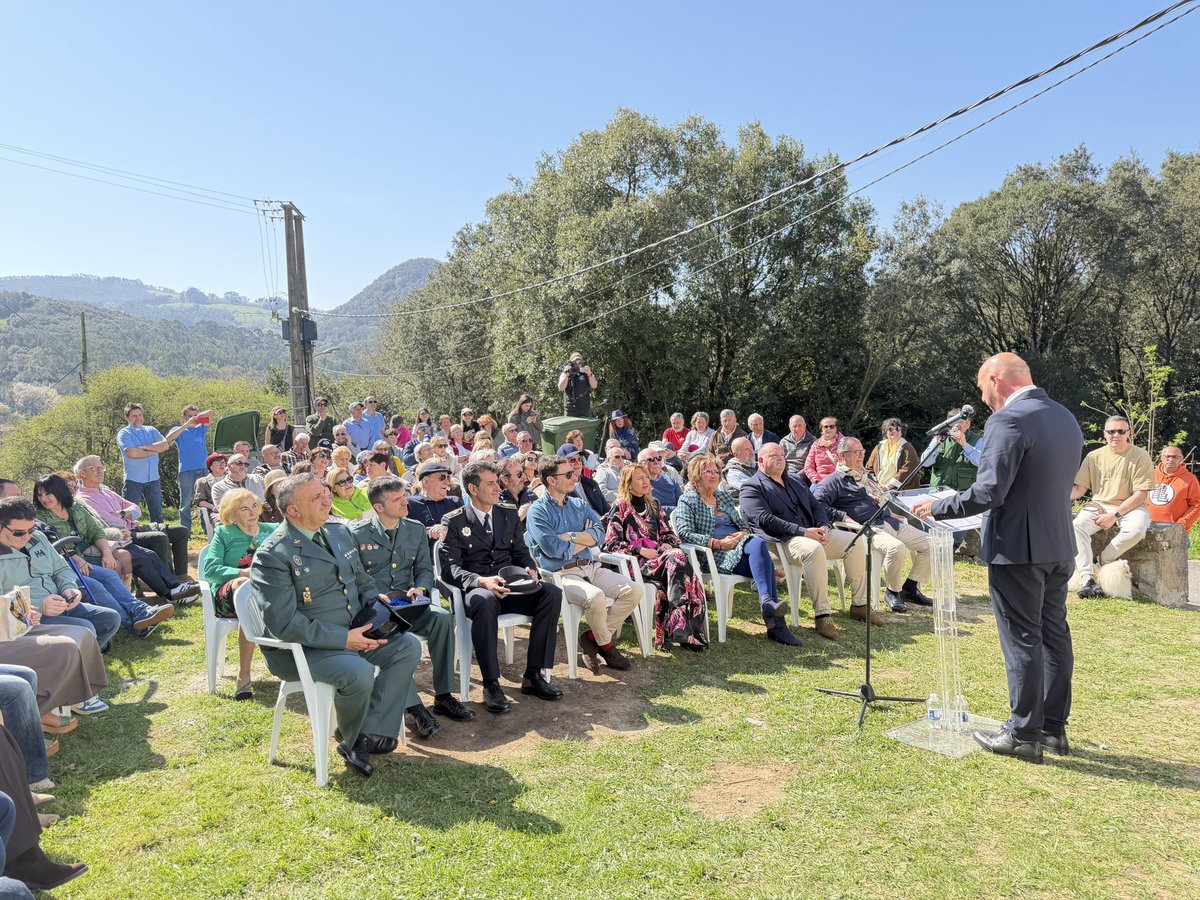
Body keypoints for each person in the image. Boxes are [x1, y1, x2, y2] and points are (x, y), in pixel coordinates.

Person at [912, 352, 1082, 764]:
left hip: (1017, 549)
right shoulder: (1065, 418)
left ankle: (1023, 734)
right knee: (1054, 634)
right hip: (1058, 544)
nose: (983, 396)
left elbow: (990, 491)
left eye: (982, 386)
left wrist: (940, 507)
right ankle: (1052, 729)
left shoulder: (1009, 420)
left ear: (995, 379)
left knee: (1023, 637)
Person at [250, 473, 423, 777]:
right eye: (316, 498)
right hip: (306, 648)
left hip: (355, 629)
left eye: (325, 493)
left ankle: (367, 732)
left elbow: (362, 580)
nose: (327, 500)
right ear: (293, 511)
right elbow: (284, 623)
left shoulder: (338, 532)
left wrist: (376, 610)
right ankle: (355, 739)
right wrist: (345, 639)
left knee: (408, 646)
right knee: (356, 672)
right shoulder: (273, 554)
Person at [350, 477, 474, 738]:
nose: (405, 501)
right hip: (379, 613)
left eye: (404, 495)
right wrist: (376, 597)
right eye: (397, 499)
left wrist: (421, 589)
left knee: (441, 618)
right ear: (379, 507)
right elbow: (355, 578)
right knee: (399, 642)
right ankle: (414, 708)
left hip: (409, 606)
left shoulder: (415, 529)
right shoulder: (358, 534)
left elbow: (424, 569)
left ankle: (443, 695)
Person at [441, 461, 563, 712]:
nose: (499, 488)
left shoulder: (507, 512)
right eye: (491, 483)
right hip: (480, 588)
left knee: (551, 593)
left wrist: (530, 569)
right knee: (484, 602)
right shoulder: (454, 521)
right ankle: (491, 684)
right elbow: (449, 569)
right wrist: (481, 581)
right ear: (473, 489)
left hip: (510, 585)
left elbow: (520, 552)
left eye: (498, 482)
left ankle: (533, 674)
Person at [740, 444, 877, 642]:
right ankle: (823, 615)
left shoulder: (795, 480)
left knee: (855, 542)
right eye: (773, 455)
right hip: (782, 541)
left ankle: (860, 605)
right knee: (813, 549)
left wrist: (824, 525)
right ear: (760, 461)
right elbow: (765, 519)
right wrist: (803, 531)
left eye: (781, 454)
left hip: (811, 533)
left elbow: (816, 506)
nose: (780, 458)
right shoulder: (752, 486)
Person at [526, 455, 641, 673]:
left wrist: (569, 536)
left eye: (574, 472)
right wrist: (583, 537)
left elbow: (599, 534)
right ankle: (606, 646)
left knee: (633, 590)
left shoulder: (578, 504)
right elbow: (553, 549)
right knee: (596, 596)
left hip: (591, 566)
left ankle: (591, 637)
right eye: (568, 474)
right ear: (551, 480)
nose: (575, 476)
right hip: (561, 574)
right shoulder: (537, 511)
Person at [32, 475, 175, 637]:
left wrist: (107, 553)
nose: (43, 498)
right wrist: (77, 560)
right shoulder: (40, 519)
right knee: (98, 583)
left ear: (58, 491)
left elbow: (95, 531)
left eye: (47, 493)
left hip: (88, 552)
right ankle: (133, 624)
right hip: (67, 562)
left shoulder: (75, 507)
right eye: (39, 495)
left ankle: (140, 610)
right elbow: (55, 545)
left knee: (112, 572)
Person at [673, 454, 794, 644]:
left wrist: (742, 534)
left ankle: (770, 608)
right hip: (714, 555)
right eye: (708, 472)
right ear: (696, 475)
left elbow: (743, 525)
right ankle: (776, 623)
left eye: (716, 472)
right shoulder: (688, 500)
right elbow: (684, 533)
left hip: (741, 549)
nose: (714, 476)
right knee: (761, 553)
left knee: (755, 542)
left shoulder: (723, 497)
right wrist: (718, 543)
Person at [813, 437, 933, 613]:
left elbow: (880, 498)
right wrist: (842, 516)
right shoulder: (834, 481)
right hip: (868, 528)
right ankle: (893, 592)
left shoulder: (865, 477)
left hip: (890, 521)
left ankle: (911, 587)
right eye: (856, 453)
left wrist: (889, 511)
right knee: (896, 548)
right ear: (842, 456)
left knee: (932, 543)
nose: (861, 456)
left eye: (862, 452)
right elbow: (817, 502)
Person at [604, 463, 707, 651]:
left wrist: (668, 543)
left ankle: (681, 628)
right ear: (628, 484)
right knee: (679, 561)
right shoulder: (620, 507)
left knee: (677, 558)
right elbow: (611, 543)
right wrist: (640, 551)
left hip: (662, 560)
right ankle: (685, 629)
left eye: (646, 477)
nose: (645, 481)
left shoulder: (654, 504)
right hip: (636, 563)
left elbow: (669, 533)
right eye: (639, 478)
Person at [201, 489, 277, 700]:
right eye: (244, 509)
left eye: (254, 506)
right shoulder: (224, 533)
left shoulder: (273, 529)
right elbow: (211, 569)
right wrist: (243, 572)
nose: (252, 512)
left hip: (268, 592)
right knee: (245, 588)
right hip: (230, 595)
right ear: (232, 513)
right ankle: (244, 675)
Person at [1070, 415, 1154, 598]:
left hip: (1131, 506)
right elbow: (1078, 490)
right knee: (1076, 527)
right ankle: (1087, 577)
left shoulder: (1140, 455)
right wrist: (1051, 497)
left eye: (1121, 431)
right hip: (1100, 504)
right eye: (1111, 431)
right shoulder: (1094, 457)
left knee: (1137, 530)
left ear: (1128, 433)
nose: (1116, 435)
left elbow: (1141, 494)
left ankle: (1101, 561)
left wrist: (1114, 515)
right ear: (1104, 434)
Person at [73, 456, 191, 580]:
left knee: (181, 531)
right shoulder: (83, 498)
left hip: (135, 527)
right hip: (123, 534)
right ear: (82, 474)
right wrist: (126, 517)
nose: (100, 471)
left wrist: (122, 514)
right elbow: (110, 521)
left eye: (101, 468)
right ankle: (168, 580)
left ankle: (181, 576)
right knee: (159, 538)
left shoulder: (107, 492)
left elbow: (136, 508)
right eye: (94, 468)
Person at [116, 402, 195, 526]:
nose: (138, 418)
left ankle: (161, 539)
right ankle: (129, 539)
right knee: (128, 513)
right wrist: (154, 449)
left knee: (157, 513)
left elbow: (164, 445)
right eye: (134, 416)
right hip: (133, 480)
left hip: (153, 479)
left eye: (140, 414)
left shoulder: (151, 430)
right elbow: (132, 453)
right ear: (127, 418)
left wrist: (144, 448)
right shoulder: (124, 433)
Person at [920, 408, 984, 491]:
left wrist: (965, 445)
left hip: (962, 495)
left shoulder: (978, 440)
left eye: (960, 421)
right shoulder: (941, 438)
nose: (956, 425)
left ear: (968, 423)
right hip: (937, 493)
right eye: (952, 422)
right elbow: (925, 463)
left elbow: (982, 462)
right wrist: (935, 443)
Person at [174, 404, 213, 534]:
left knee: (205, 500)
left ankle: (206, 528)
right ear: (183, 417)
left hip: (203, 469)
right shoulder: (179, 430)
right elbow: (168, 439)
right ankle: (186, 531)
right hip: (186, 471)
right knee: (185, 502)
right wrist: (186, 425)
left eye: (194, 416)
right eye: (189, 416)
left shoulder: (200, 429)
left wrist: (197, 418)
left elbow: (210, 412)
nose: (192, 419)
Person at [407, 462, 462, 548]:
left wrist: (446, 529)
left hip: (455, 555)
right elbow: (405, 532)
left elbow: (467, 528)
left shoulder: (455, 501)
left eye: (448, 478)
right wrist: (428, 532)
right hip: (425, 556)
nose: (447, 482)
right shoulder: (410, 503)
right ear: (426, 482)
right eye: (442, 478)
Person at [1149, 446, 1200, 535]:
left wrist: (1181, 524)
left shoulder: (1190, 479)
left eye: (1175, 457)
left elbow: (1197, 505)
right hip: (1147, 528)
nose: (1170, 459)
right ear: (1162, 458)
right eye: (1167, 456)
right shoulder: (1149, 475)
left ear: (1181, 459)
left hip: (1176, 533)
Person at [866, 418, 922, 491]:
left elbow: (907, 470)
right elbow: (869, 468)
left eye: (898, 429)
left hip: (901, 490)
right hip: (879, 489)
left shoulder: (908, 448)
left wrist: (888, 487)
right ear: (885, 431)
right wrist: (876, 485)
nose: (894, 431)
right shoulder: (878, 448)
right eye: (890, 429)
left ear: (901, 432)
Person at [557, 444, 609, 516]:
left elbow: (607, 510)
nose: (578, 463)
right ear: (562, 466)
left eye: (579, 459)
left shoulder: (591, 484)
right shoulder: (561, 492)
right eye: (572, 460)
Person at [192, 453, 228, 534]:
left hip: (233, 509)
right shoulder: (202, 481)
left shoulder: (231, 478)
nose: (221, 465)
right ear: (210, 466)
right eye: (218, 462)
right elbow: (199, 501)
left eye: (223, 462)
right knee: (221, 525)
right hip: (215, 511)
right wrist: (213, 507)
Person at [639, 448, 682, 513]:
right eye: (651, 459)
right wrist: (677, 511)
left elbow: (682, 501)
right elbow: (649, 508)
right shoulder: (640, 484)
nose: (656, 462)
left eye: (659, 458)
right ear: (641, 464)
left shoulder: (670, 480)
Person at [804, 417, 844, 485]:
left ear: (836, 428)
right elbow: (808, 466)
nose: (829, 428)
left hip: (840, 481)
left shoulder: (845, 443)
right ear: (821, 429)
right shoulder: (816, 445)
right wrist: (817, 480)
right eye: (826, 426)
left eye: (832, 426)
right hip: (820, 482)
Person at [558, 351, 597, 417]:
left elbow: (594, 386)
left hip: (584, 408)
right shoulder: (566, 373)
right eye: (575, 361)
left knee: (585, 427)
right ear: (571, 363)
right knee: (570, 427)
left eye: (579, 361)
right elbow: (561, 388)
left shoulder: (585, 372)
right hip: (570, 409)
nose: (577, 363)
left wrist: (589, 374)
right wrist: (567, 374)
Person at [498, 456, 536, 521]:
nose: (524, 477)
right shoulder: (496, 503)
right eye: (519, 474)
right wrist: (519, 516)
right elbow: (502, 530)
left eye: (523, 472)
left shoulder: (529, 494)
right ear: (505, 480)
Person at [720, 437, 757, 501]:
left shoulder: (755, 464)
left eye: (751, 448)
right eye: (747, 449)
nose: (751, 452)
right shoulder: (733, 472)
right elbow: (755, 489)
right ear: (736, 454)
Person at [780, 415, 816, 480]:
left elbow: (812, 464)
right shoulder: (784, 442)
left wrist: (798, 476)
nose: (797, 428)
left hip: (805, 476)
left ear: (805, 426)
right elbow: (780, 460)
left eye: (800, 425)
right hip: (786, 475)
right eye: (794, 426)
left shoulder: (813, 441)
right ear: (789, 427)